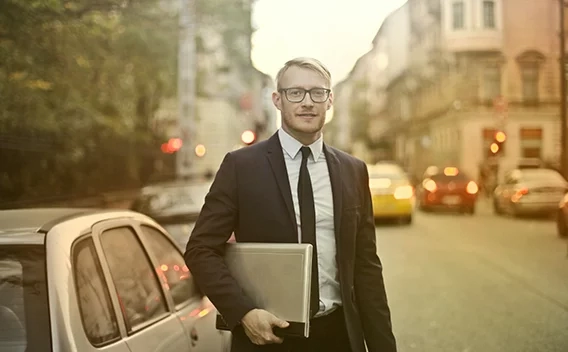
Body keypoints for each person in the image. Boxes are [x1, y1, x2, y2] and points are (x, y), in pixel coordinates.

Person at [184, 57, 397, 352]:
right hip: (268, 336)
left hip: (339, 336)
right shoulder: (241, 166)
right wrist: (243, 312)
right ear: (278, 100)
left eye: (317, 93)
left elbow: (367, 267)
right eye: (295, 93)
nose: (307, 102)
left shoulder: (353, 170)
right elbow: (200, 249)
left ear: (329, 100)